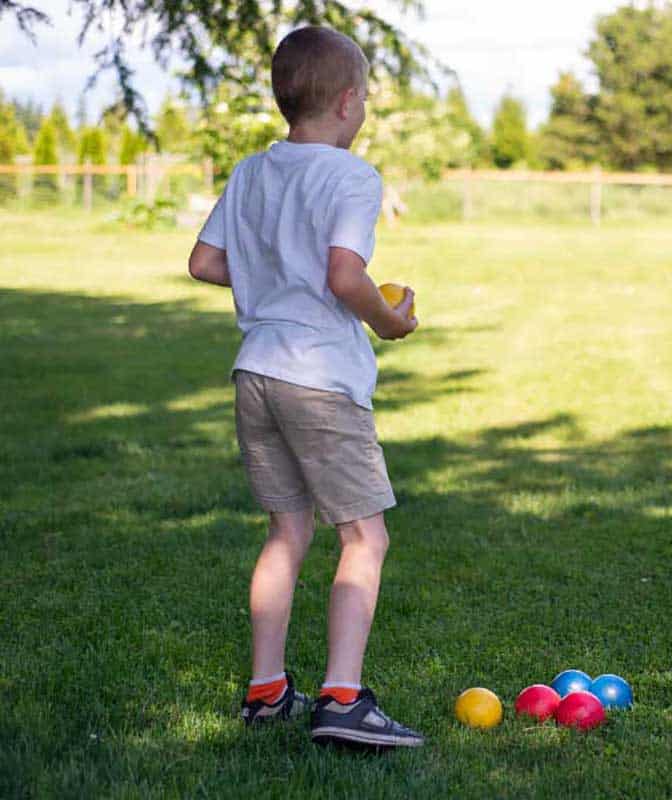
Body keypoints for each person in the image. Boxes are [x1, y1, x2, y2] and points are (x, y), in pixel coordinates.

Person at [187, 26, 423, 748]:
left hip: (256, 371)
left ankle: (267, 691)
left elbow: (204, 262)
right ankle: (343, 699)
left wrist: (271, 276)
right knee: (364, 536)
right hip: (319, 376)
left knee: (287, 531)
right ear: (349, 102)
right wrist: (390, 322)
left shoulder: (252, 171)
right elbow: (345, 277)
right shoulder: (353, 177)